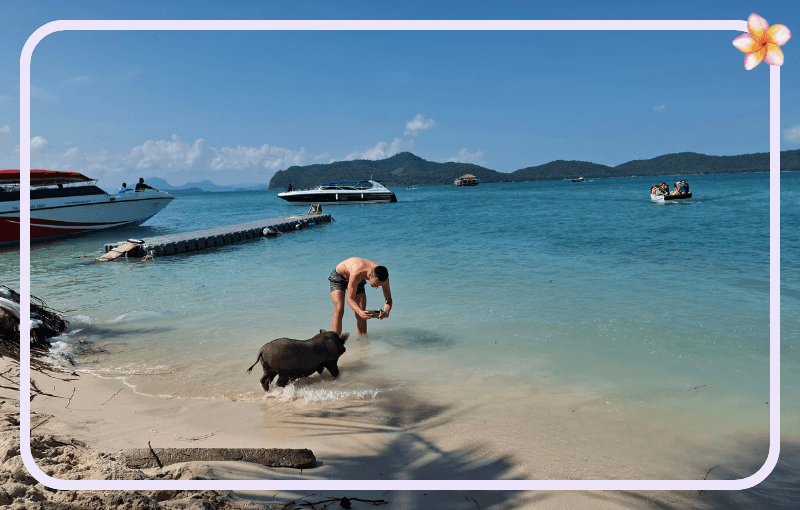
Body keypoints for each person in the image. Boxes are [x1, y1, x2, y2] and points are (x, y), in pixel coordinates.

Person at [329, 257, 392, 335]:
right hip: (339, 277)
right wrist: (359, 312)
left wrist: (386, 312)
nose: (376, 287)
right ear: (369, 275)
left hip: (357, 280)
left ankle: (362, 344)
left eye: (380, 285)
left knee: (363, 313)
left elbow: (388, 299)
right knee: (339, 309)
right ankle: (335, 341)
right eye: (375, 284)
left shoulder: (384, 278)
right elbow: (350, 299)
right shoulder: (357, 273)